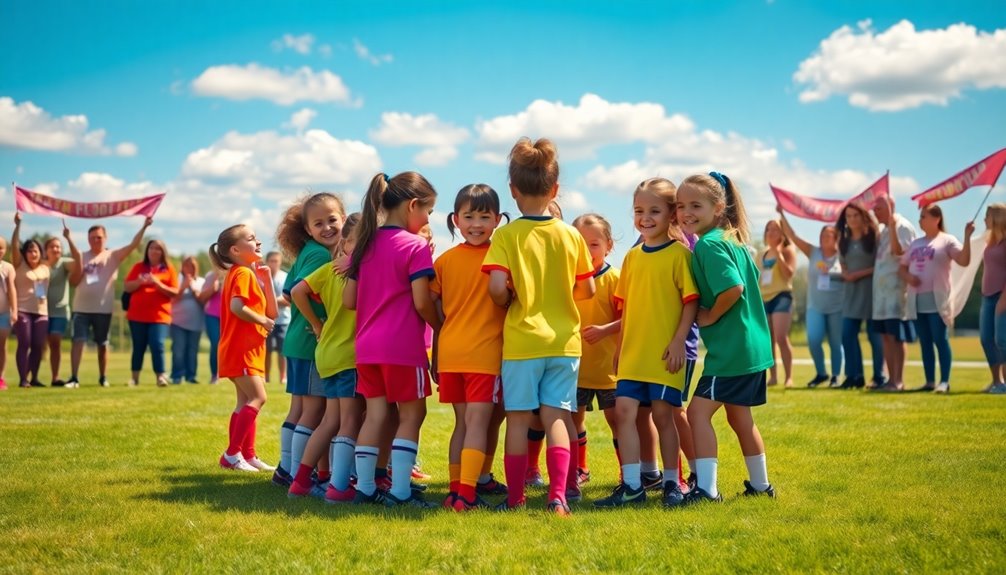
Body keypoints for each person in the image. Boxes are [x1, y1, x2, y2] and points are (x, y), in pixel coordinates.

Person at [484, 138, 596, 516]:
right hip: (564, 343)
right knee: (557, 417)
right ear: (555, 190)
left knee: (518, 419)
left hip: (522, 342)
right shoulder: (571, 234)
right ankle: (559, 497)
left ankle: (515, 499)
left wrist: (508, 299)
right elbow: (588, 287)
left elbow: (497, 288)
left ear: (513, 191)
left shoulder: (506, 235)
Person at [594, 178, 696, 508]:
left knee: (665, 417)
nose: (645, 217)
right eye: (639, 211)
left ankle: (672, 483)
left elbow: (690, 302)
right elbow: (628, 309)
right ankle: (633, 484)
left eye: (654, 210)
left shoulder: (680, 255)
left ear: (672, 215)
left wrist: (679, 341)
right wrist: (620, 350)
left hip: (665, 356)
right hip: (633, 356)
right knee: (624, 413)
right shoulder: (633, 257)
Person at [676, 172, 775, 503]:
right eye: (680, 206)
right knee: (739, 417)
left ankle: (706, 489)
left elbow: (734, 287)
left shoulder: (709, 244)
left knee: (697, 414)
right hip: (752, 348)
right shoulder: (734, 240)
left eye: (695, 205)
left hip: (732, 351)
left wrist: (712, 314)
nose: (686, 212)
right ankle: (761, 487)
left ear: (718, 207)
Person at [345, 171, 442, 508]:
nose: (428, 219)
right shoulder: (415, 246)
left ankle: (366, 489)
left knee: (375, 417)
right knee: (412, 416)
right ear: (413, 205)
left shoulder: (366, 243)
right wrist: (440, 324)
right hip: (402, 348)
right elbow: (421, 301)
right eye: (428, 212)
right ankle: (400, 492)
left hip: (366, 349)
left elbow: (348, 301)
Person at [432, 184, 507, 511]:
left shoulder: (444, 261)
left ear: (497, 220)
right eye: (469, 216)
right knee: (477, 424)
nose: (476, 223)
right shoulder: (501, 260)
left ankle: (454, 492)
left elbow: (432, 304)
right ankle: (466, 495)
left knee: (462, 425)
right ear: (455, 220)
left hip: (450, 352)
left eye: (484, 216)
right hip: (484, 355)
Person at [288, 213, 363, 500]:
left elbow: (297, 291)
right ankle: (338, 487)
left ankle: (300, 481)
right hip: (349, 355)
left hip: (326, 352)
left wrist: (318, 325)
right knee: (349, 421)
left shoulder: (331, 268)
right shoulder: (360, 271)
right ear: (346, 244)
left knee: (330, 420)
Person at [273, 193, 345, 487]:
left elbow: (289, 290)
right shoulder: (318, 254)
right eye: (319, 223)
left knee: (300, 408)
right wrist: (317, 323)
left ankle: (285, 468)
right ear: (308, 229)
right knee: (314, 410)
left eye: (332, 220)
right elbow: (298, 293)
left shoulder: (308, 251)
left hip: (296, 342)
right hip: (308, 343)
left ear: (343, 218)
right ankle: (293, 471)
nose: (327, 227)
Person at [210, 224, 278, 472]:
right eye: (251, 239)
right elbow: (238, 308)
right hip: (241, 349)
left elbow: (273, 313)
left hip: (246, 349)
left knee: (245, 402)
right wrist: (262, 321)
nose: (258, 242)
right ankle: (231, 454)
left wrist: (267, 280)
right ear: (236, 250)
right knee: (259, 398)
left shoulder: (248, 274)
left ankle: (247, 455)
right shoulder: (242, 274)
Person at [67, 217, 152, 387]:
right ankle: (74, 378)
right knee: (78, 341)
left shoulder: (112, 255)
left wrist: (144, 226)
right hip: (81, 309)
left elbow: (133, 245)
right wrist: (69, 240)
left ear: (105, 238)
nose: (95, 240)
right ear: (87, 239)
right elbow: (73, 282)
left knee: (102, 345)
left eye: (99, 237)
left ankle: (103, 377)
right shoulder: (80, 257)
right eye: (92, 237)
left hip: (103, 309)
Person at [900, 205, 974, 394]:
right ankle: (930, 381)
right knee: (925, 342)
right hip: (917, 301)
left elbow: (964, 261)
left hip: (937, 300)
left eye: (923, 216)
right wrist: (909, 277)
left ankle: (944, 382)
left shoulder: (947, 241)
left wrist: (967, 236)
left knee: (940, 340)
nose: (920, 220)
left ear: (936, 218)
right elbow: (902, 268)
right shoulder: (916, 244)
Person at [570, 213, 620, 488]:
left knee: (617, 419)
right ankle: (580, 468)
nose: (588, 251)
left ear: (608, 245)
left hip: (608, 368)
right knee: (574, 418)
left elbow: (630, 318)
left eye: (594, 244)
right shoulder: (569, 279)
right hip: (577, 366)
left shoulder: (614, 278)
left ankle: (628, 472)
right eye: (581, 244)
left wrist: (604, 331)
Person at [777, 210, 844, 387]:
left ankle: (836, 376)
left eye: (829, 235)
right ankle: (821, 373)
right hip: (815, 306)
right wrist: (782, 213)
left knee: (836, 342)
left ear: (836, 238)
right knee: (813, 340)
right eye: (823, 235)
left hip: (838, 307)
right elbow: (792, 236)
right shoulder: (813, 251)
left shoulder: (843, 256)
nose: (825, 238)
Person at [871, 197, 917, 391]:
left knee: (896, 336)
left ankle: (898, 380)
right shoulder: (881, 231)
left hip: (896, 293)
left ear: (891, 207)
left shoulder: (902, 226)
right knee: (885, 337)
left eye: (879, 208)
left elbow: (902, 254)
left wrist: (893, 228)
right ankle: (890, 379)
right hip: (880, 295)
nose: (875, 211)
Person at [836, 203, 883, 389]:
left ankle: (879, 376)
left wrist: (859, 274)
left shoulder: (874, 239)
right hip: (851, 294)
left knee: (874, 337)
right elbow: (843, 263)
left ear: (863, 217)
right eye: (849, 216)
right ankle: (854, 376)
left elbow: (880, 266)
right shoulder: (844, 242)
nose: (852, 219)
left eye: (856, 215)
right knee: (847, 335)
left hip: (871, 294)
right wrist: (845, 272)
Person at [123, 240, 179, 387]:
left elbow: (175, 292)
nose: (154, 251)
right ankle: (134, 378)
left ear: (163, 252)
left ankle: (161, 377)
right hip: (137, 315)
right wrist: (139, 282)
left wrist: (157, 284)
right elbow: (127, 287)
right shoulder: (138, 267)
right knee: (138, 346)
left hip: (160, 316)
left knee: (157, 344)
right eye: (151, 248)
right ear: (147, 251)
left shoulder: (169, 269)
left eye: (158, 249)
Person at [11, 213, 50, 388]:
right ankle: (23, 379)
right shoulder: (19, 265)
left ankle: (34, 377)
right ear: (24, 253)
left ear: (40, 253)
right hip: (23, 310)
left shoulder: (45, 267)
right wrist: (17, 226)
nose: (32, 253)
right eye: (29, 250)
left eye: (35, 250)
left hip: (41, 312)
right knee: (24, 343)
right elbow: (13, 246)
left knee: (37, 345)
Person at [758, 219, 797, 388]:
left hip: (781, 296)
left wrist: (777, 251)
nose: (771, 233)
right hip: (764, 298)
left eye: (775, 229)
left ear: (782, 234)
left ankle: (789, 377)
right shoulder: (761, 254)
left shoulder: (788, 250)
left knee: (781, 337)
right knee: (769, 340)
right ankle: (773, 377)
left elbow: (788, 274)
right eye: (768, 229)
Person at [44, 221, 81, 387]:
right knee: (39, 345)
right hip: (42, 312)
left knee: (55, 342)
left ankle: (55, 377)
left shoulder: (64, 263)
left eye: (58, 247)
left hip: (59, 312)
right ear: (46, 250)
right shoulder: (41, 265)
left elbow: (78, 259)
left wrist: (68, 238)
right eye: (52, 246)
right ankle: (32, 378)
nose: (56, 249)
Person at [978, 204, 1006, 394]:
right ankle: (997, 382)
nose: (984, 219)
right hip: (987, 297)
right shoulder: (990, 242)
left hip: (1002, 295)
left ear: (997, 217)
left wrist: (1002, 301)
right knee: (986, 339)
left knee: (1002, 340)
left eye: (987, 216)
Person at [170, 256, 205, 384]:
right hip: (177, 322)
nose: (190, 268)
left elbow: (203, 302)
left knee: (192, 350)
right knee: (178, 349)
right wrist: (184, 286)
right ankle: (176, 376)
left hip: (196, 322)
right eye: (187, 265)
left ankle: (191, 376)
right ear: (182, 267)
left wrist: (194, 290)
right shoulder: (177, 280)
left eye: (192, 266)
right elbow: (173, 299)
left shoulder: (201, 281)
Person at [264, 251, 290, 386]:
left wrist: (270, 300)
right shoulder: (261, 278)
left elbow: (288, 299)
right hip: (266, 320)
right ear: (267, 261)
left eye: (276, 261)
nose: (274, 264)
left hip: (283, 320)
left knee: (282, 351)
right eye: (271, 261)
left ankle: (283, 377)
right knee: (266, 350)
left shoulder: (285, 277)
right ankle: (266, 377)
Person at [199, 267, 223, 385]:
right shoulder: (210, 275)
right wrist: (213, 288)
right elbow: (201, 297)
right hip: (212, 315)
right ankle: (215, 375)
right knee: (216, 343)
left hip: (230, 316)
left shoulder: (238, 272)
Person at [0, 237, 16, 391]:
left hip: (4, 312)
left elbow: (12, 289)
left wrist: (14, 311)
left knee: (2, 345)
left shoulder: (8, 268)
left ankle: (1, 377)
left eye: (1, 248)